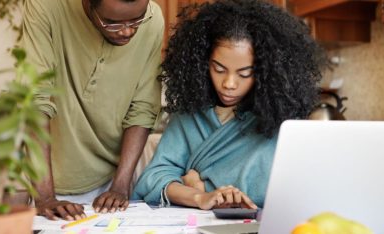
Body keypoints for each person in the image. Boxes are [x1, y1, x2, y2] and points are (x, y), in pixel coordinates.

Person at [132, 0, 324, 209]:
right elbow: (153, 178)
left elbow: (283, 186)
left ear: (265, 72)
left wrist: (201, 185)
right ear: (202, 63)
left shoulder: (279, 119)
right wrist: (197, 196)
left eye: (244, 73)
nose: (229, 84)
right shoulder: (189, 113)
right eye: (219, 69)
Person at [20, 0, 163, 220]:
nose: (127, 31)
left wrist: (121, 186)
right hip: (47, 181)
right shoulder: (44, 6)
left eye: (137, 19)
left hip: (112, 182)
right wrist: (45, 197)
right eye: (112, 22)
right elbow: (35, 100)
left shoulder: (153, 21)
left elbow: (143, 107)